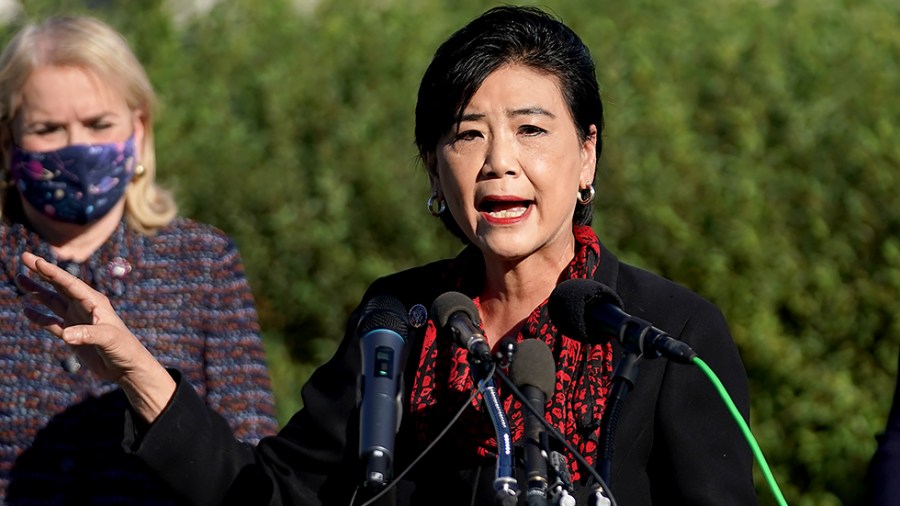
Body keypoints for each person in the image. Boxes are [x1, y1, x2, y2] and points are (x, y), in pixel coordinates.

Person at [17, 6, 758, 505]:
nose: (499, 163)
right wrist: (138, 372)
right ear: (434, 169)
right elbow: (267, 496)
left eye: (532, 130)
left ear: (587, 153)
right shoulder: (398, 322)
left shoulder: (667, 335)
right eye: (467, 135)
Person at [0, 15, 278, 504]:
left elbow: (250, 462)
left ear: (138, 127)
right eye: (49, 129)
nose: (77, 148)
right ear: (8, 143)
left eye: (98, 124)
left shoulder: (203, 262)